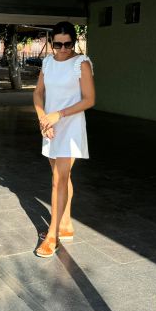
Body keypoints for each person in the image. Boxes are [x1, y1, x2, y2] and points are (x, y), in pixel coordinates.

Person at [32, 22, 95, 257]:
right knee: (59, 177)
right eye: (57, 44)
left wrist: (59, 114)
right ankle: (66, 223)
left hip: (70, 126)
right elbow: (38, 92)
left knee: (59, 180)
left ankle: (53, 236)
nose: (62, 49)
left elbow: (89, 99)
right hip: (50, 126)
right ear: (51, 43)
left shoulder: (82, 63)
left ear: (74, 41)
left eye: (67, 44)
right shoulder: (47, 62)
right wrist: (43, 119)